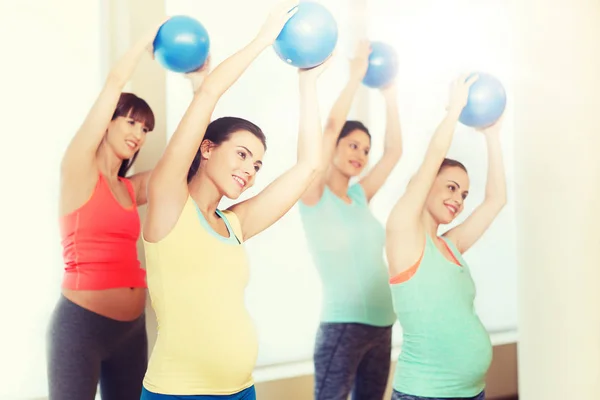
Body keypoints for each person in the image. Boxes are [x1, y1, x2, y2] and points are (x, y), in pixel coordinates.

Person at [139, 1, 333, 398]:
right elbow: (209, 92)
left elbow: (310, 165)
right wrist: (264, 40)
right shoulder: (168, 203)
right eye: (242, 154)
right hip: (178, 392)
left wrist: (308, 84)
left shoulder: (234, 223)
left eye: (258, 165)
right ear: (207, 148)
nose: (250, 170)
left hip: (242, 390)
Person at [46, 22, 165, 400]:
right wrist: (146, 40)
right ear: (108, 122)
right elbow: (114, 84)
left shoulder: (131, 187)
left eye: (145, 129)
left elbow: (180, 166)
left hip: (132, 330)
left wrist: (201, 82)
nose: (138, 133)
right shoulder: (78, 169)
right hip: (81, 326)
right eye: (130, 121)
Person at [385, 74, 507, 400]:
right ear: (426, 186)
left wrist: (492, 135)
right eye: (451, 187)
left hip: (472, 392)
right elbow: (432, 158)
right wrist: (454, 111)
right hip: (425, 394)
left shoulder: (451, 245)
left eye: (464, 194)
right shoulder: (403, 235)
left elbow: (497, 200)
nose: (459, 200)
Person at [298, 40, 403, 400]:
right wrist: (356, 76)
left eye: (365, 150)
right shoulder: (313, 195)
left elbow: (394, 153)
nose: (361, 154)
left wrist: (389, 92)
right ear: (337, 147)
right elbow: (329, 127)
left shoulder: (359, 197)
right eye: (353, 145)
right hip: (343, 324)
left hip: (383, 323)